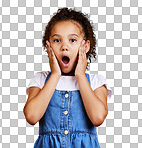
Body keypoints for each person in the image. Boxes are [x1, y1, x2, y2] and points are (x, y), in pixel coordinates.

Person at [23, 7, 112, 148]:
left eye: (72, 40)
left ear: (86, 46)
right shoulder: (41, 79)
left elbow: (97, 118)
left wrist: (80, 75)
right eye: (57, 40)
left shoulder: (95, 82)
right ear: (48, 46)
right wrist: (55, 75)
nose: (64, 46)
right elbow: (32, 116)